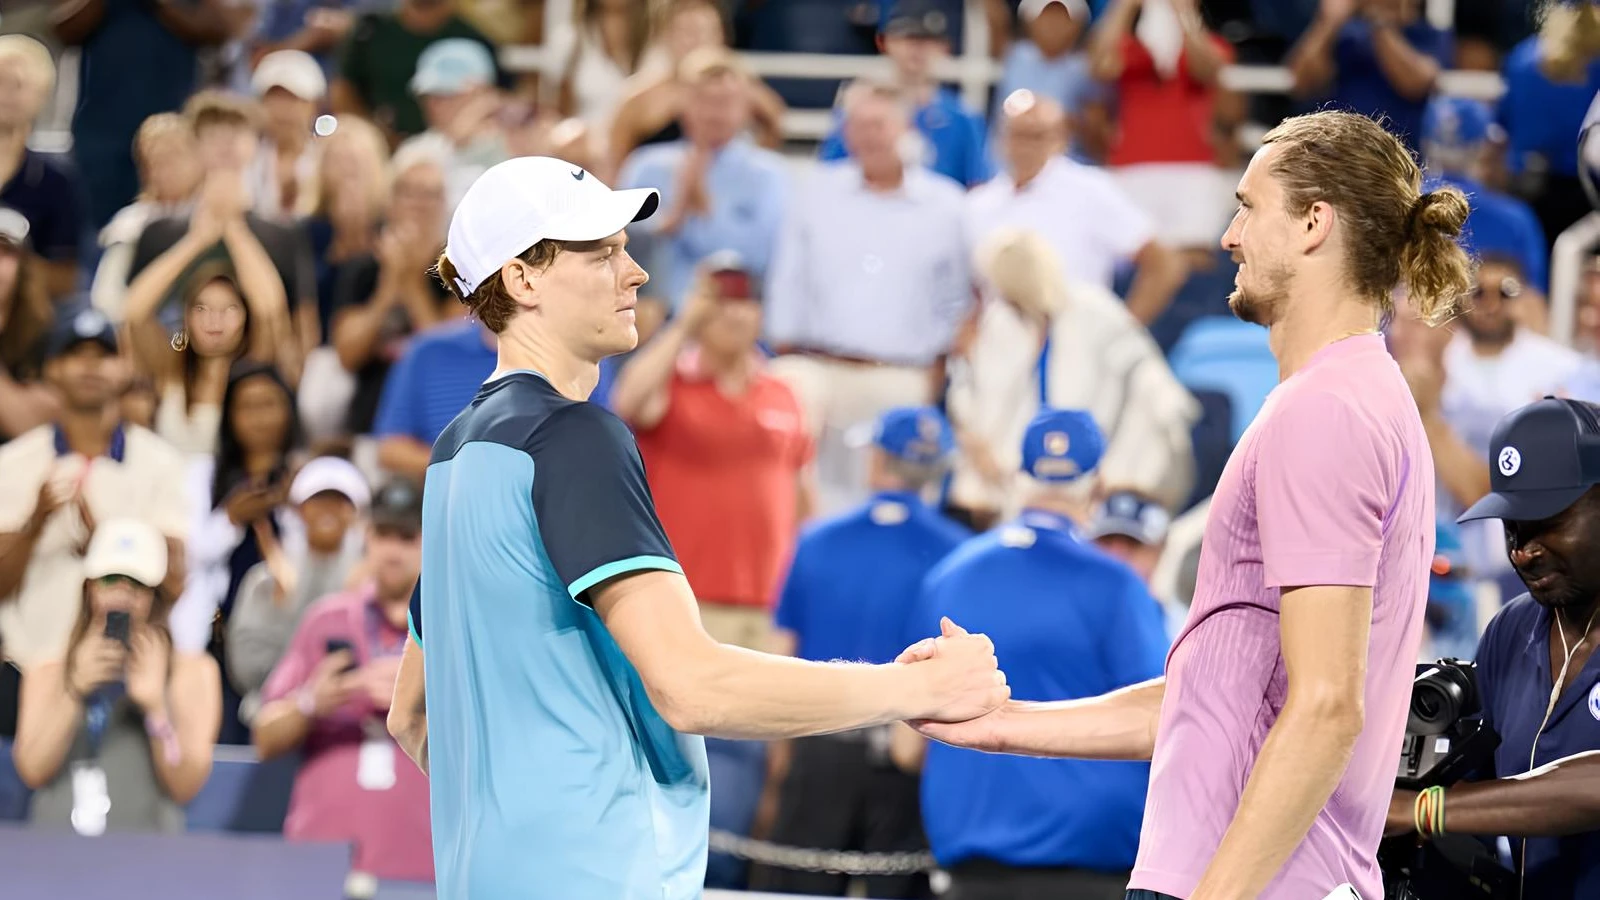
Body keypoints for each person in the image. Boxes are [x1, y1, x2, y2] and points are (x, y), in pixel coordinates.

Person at [383, 155, 1009, 898]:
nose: (636, 273)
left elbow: (410, 715)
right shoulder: (574, 437)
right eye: (603, 252)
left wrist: (518, 807)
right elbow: (694, 688)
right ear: (522, 280)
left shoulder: (456, 452)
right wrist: (914, 692)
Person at [903, 109, 1472, 900]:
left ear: (1314, 224)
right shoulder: (1337, 398)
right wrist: (1001, 724)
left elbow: (1327, 708)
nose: (1229, 236)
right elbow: (1213, 699)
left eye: (1248, 206)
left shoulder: (1327, 411)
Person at [899, 409, 1169, 900]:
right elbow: (1168, 723)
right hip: (1091, 864)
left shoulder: (949, 573)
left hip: (970, 862)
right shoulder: (1116, 584)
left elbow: (906, 746)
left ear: (1020, 474)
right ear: (1097, 483)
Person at [1380, 397, 1600, 899]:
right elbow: (1474, 794)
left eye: (1547, 521)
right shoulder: (1512, 630)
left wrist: (1425, 810)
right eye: (1512, 525)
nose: (1523, 549)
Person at [752, 405, 971, 899]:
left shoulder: (818, 541)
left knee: (796, 890)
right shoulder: (961, 556)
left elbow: (781, 654)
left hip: (818, 743)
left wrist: (778, 764)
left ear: (877, 462)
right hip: (906, 754)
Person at [253, 478, 431, 884]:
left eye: (406, 537)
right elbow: (264, 735)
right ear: (367, 537)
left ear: (428, 541)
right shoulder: (327, 619)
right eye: (383, 534)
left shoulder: (452, 628)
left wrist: (420, 704)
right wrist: (311, 703)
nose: (392, 551)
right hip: (319, 863)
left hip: (421, 863)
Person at [12, 517, 220, 833]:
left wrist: (156, 710)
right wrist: (73, 691)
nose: (123, 594)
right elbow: (32, 770)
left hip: (147, 861)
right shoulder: (48, 671)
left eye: (136, 583)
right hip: (55, 858)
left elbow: (186, 786)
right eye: (111, 579)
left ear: (154, 596)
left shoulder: (191, 672)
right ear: (90, 587)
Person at [818, 0, 991, 188]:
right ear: (883, 42)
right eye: (908, 39)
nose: (917, 50)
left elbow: (978, 185)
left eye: (927, 41)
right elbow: (829, 174)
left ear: (944, 48)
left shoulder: (962, 117)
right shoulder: (858, 112)